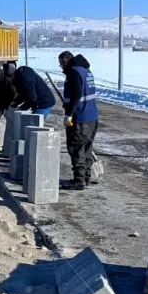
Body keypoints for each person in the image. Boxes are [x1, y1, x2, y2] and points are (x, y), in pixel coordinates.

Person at [58, 50, 100, 191]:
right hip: (92, 116)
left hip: (80, 117)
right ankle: (86, 178)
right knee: (87, 148)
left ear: (66, 60)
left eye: (61, 63)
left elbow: (76, 94)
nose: (61, 67)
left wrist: (69, 113)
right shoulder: (86, 71)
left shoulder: (73, 72)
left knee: (76, 148)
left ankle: (79, 180)